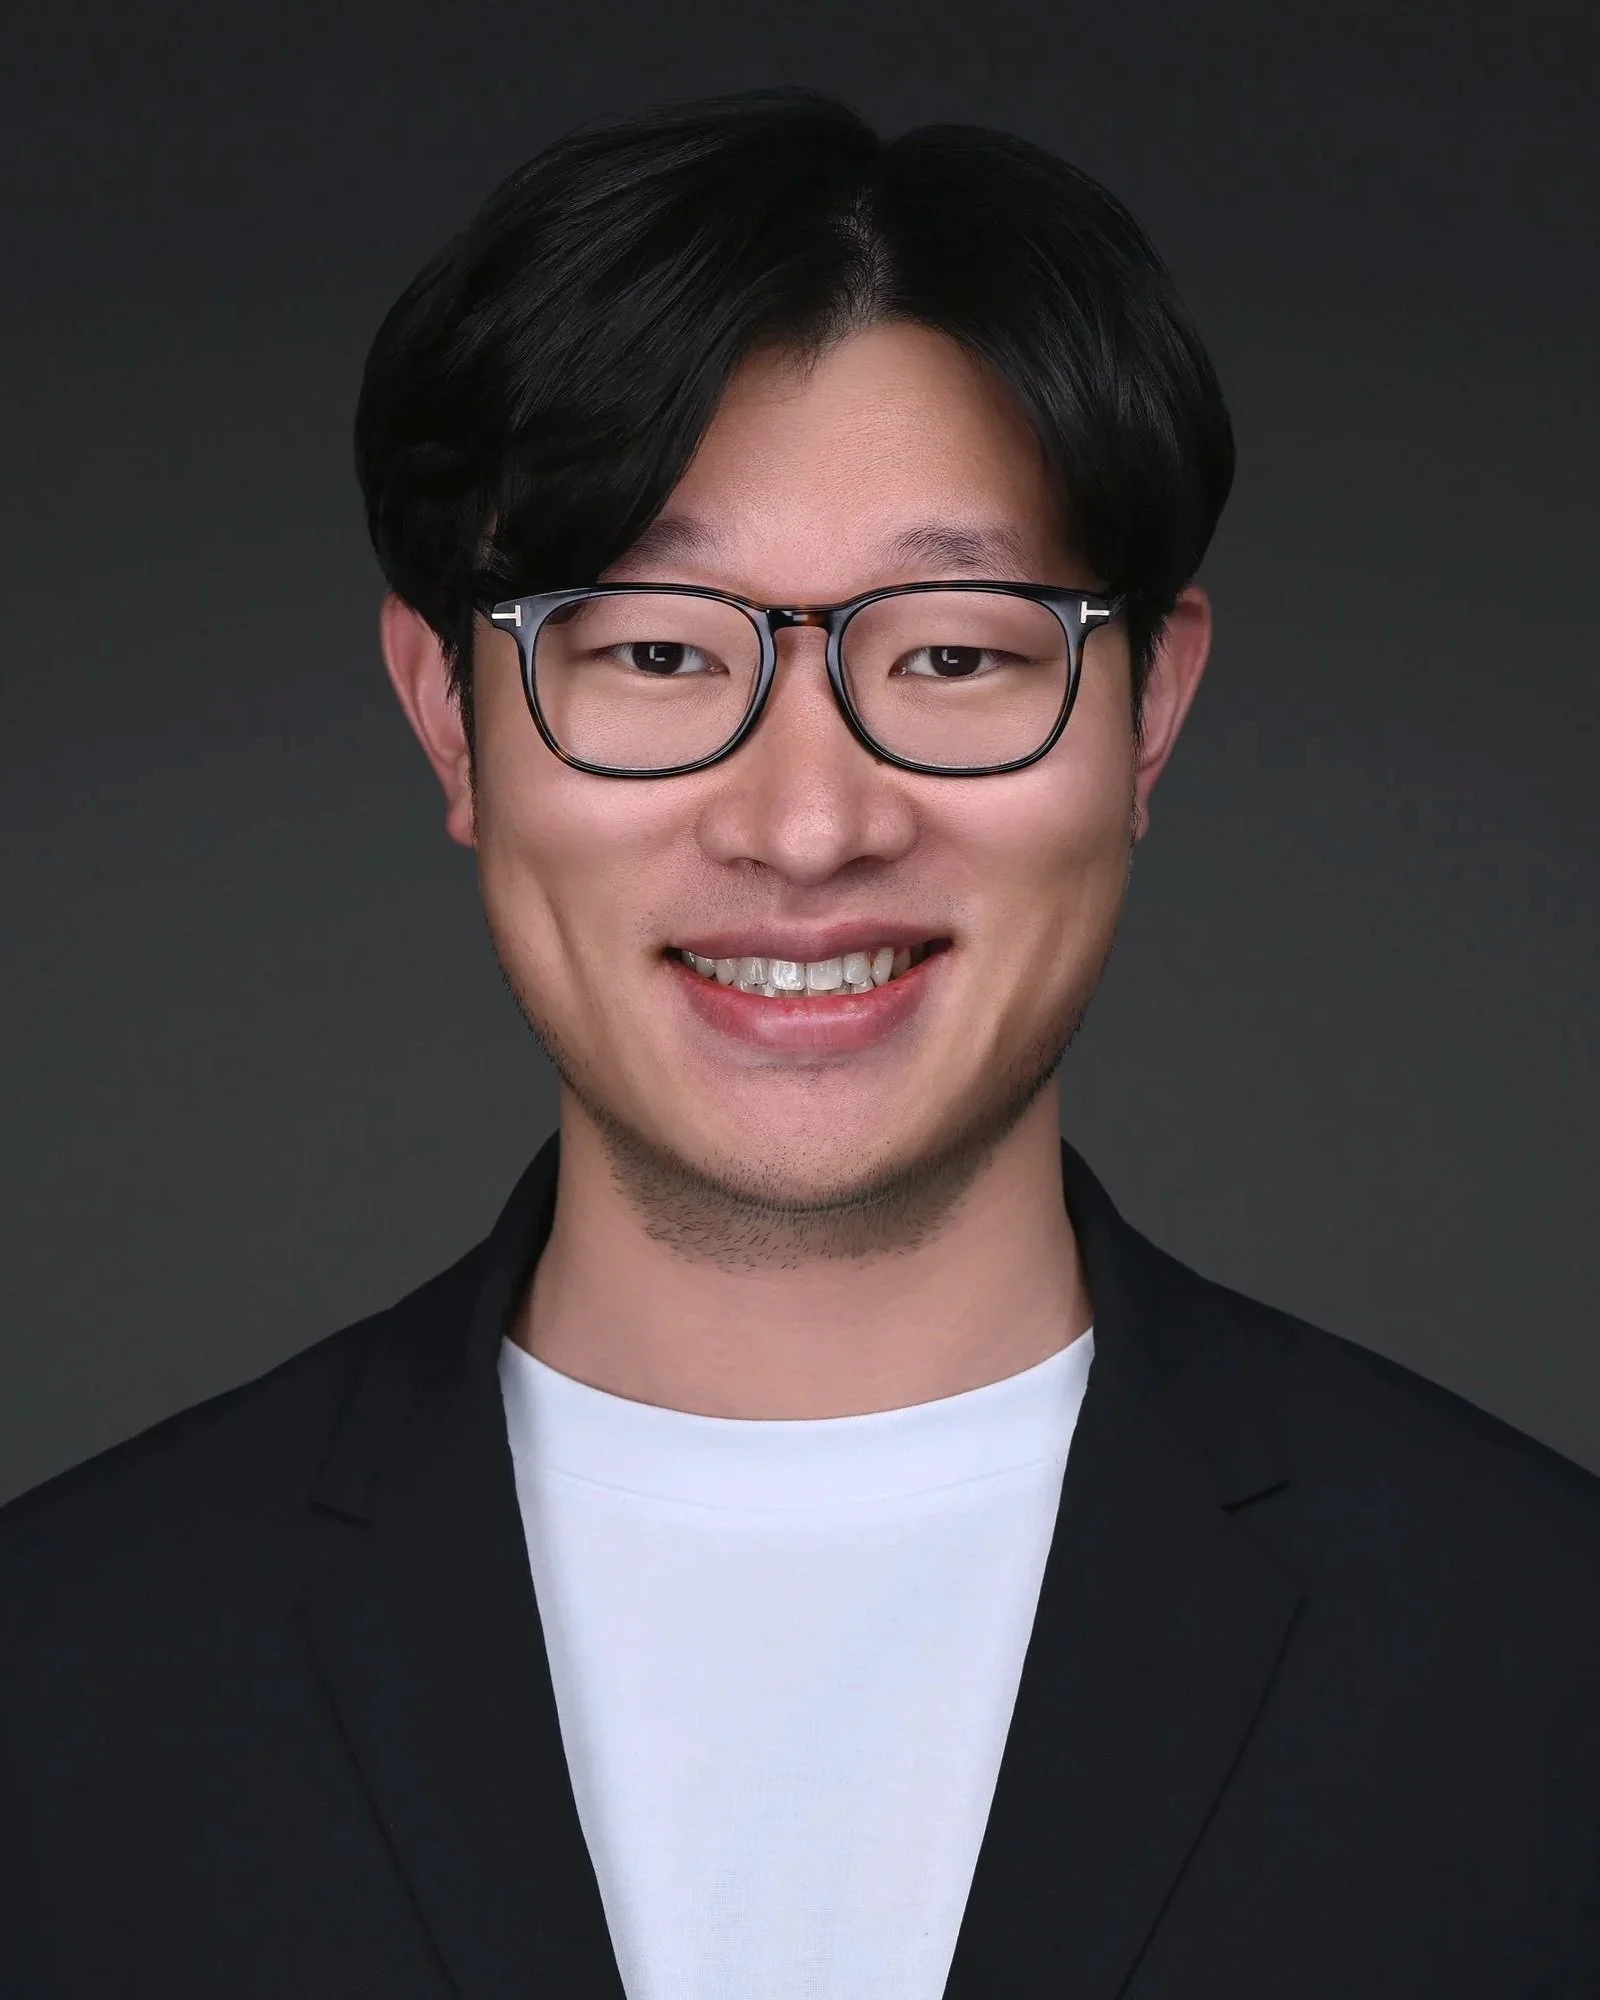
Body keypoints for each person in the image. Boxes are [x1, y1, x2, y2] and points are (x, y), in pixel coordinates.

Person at [2, 85, 1596, 2000]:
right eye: (662, 650)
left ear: (1149, 711)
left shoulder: (1541, 1656)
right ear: (450, 717)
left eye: (952, 651)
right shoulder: (66, 1671)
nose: (809, 822)